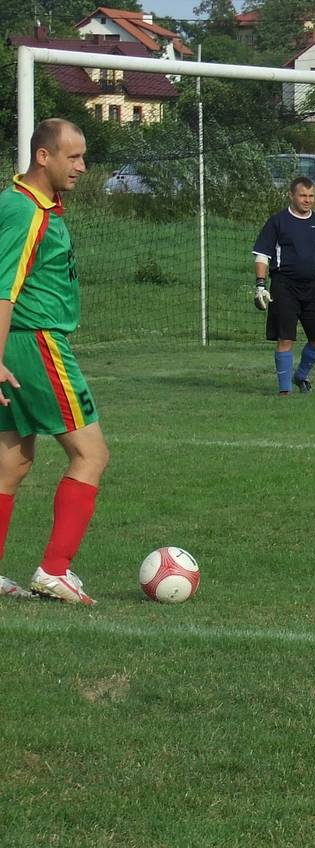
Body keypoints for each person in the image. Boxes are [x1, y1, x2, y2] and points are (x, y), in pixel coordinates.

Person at [0, 119, 107, 604]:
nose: (82, 166)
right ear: (43, 156)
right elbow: (4, 289)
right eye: (74, 157)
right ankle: (54, 570)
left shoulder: (28, 204)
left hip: (17, 345)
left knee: (12, 462)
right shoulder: (26, 211)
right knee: (91, 454)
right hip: (35, 344)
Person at [252, 178, 315, 395]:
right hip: (284, 286)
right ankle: (284, 391)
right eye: (303, 196)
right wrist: (260, 285)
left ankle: (300, 376)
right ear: (291, 196)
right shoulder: (277, 222)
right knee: (286, 338)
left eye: (311, 196)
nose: (307, 200)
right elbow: (262, 255)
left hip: (313, 288)